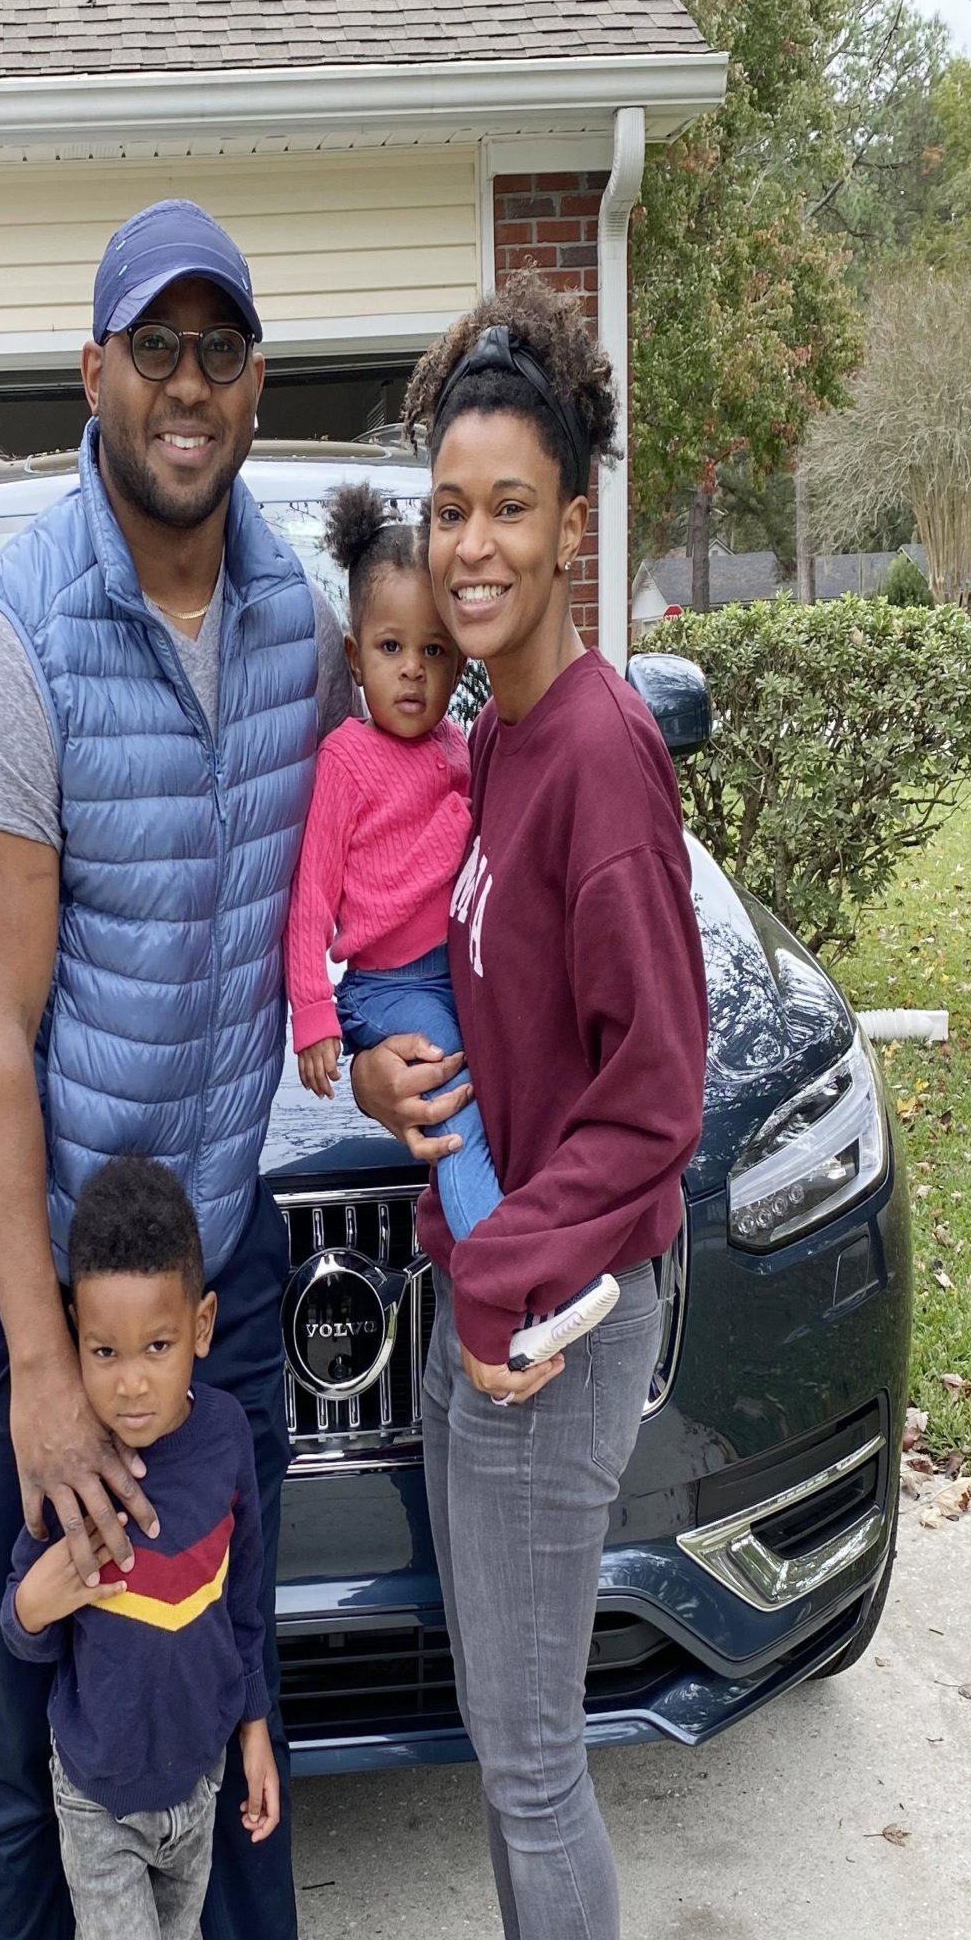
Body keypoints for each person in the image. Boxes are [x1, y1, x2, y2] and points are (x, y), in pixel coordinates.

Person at [0, 198, 375, 1940]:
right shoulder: (9, 638)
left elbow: (386, 843)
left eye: (220, 347)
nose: (185, 383)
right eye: (148, 346)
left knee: (223, 1678)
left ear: (252, 384)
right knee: (33, 1725)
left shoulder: (296, 619)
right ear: (88, 375)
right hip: (39, 1305)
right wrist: (28, 1365)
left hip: (221, 1278)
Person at [351, 273, 711, 1940]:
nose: (470, 547)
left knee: (533, 1757)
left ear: (574, 521)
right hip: (484, 1290)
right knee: (504, 1742)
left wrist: (495, 1284)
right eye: (448, 511)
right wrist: (408, 1073)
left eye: (506, 508)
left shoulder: (592, 761)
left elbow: (654, 1097)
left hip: (546, 1329)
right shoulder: (486, 745)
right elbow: (520, 1035)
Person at [0, 1156, 278, 1940]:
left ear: (200, 1330)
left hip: (197, 1786)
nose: (127, 1379)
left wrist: (257, 1728)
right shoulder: (74, 1470)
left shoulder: (221, 1440)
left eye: (155, 1345)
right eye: (101, 1350)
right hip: (100, 1802)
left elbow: (248, 1604)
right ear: (73, 1340)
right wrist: (41, 1591)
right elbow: (18, 1620)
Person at [284, 480, 619, 1371]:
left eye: (434, 652)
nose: (413, 671)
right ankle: (513, 1286)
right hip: (391, 991)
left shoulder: (463, 752)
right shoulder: (344, 765)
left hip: (454, 973)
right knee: (456, 1120)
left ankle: (533, 1243)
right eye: (392, 649)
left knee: (512, 1100)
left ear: (459, 665)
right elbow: (309, 902)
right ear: (355, 659)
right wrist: (313, 1017)